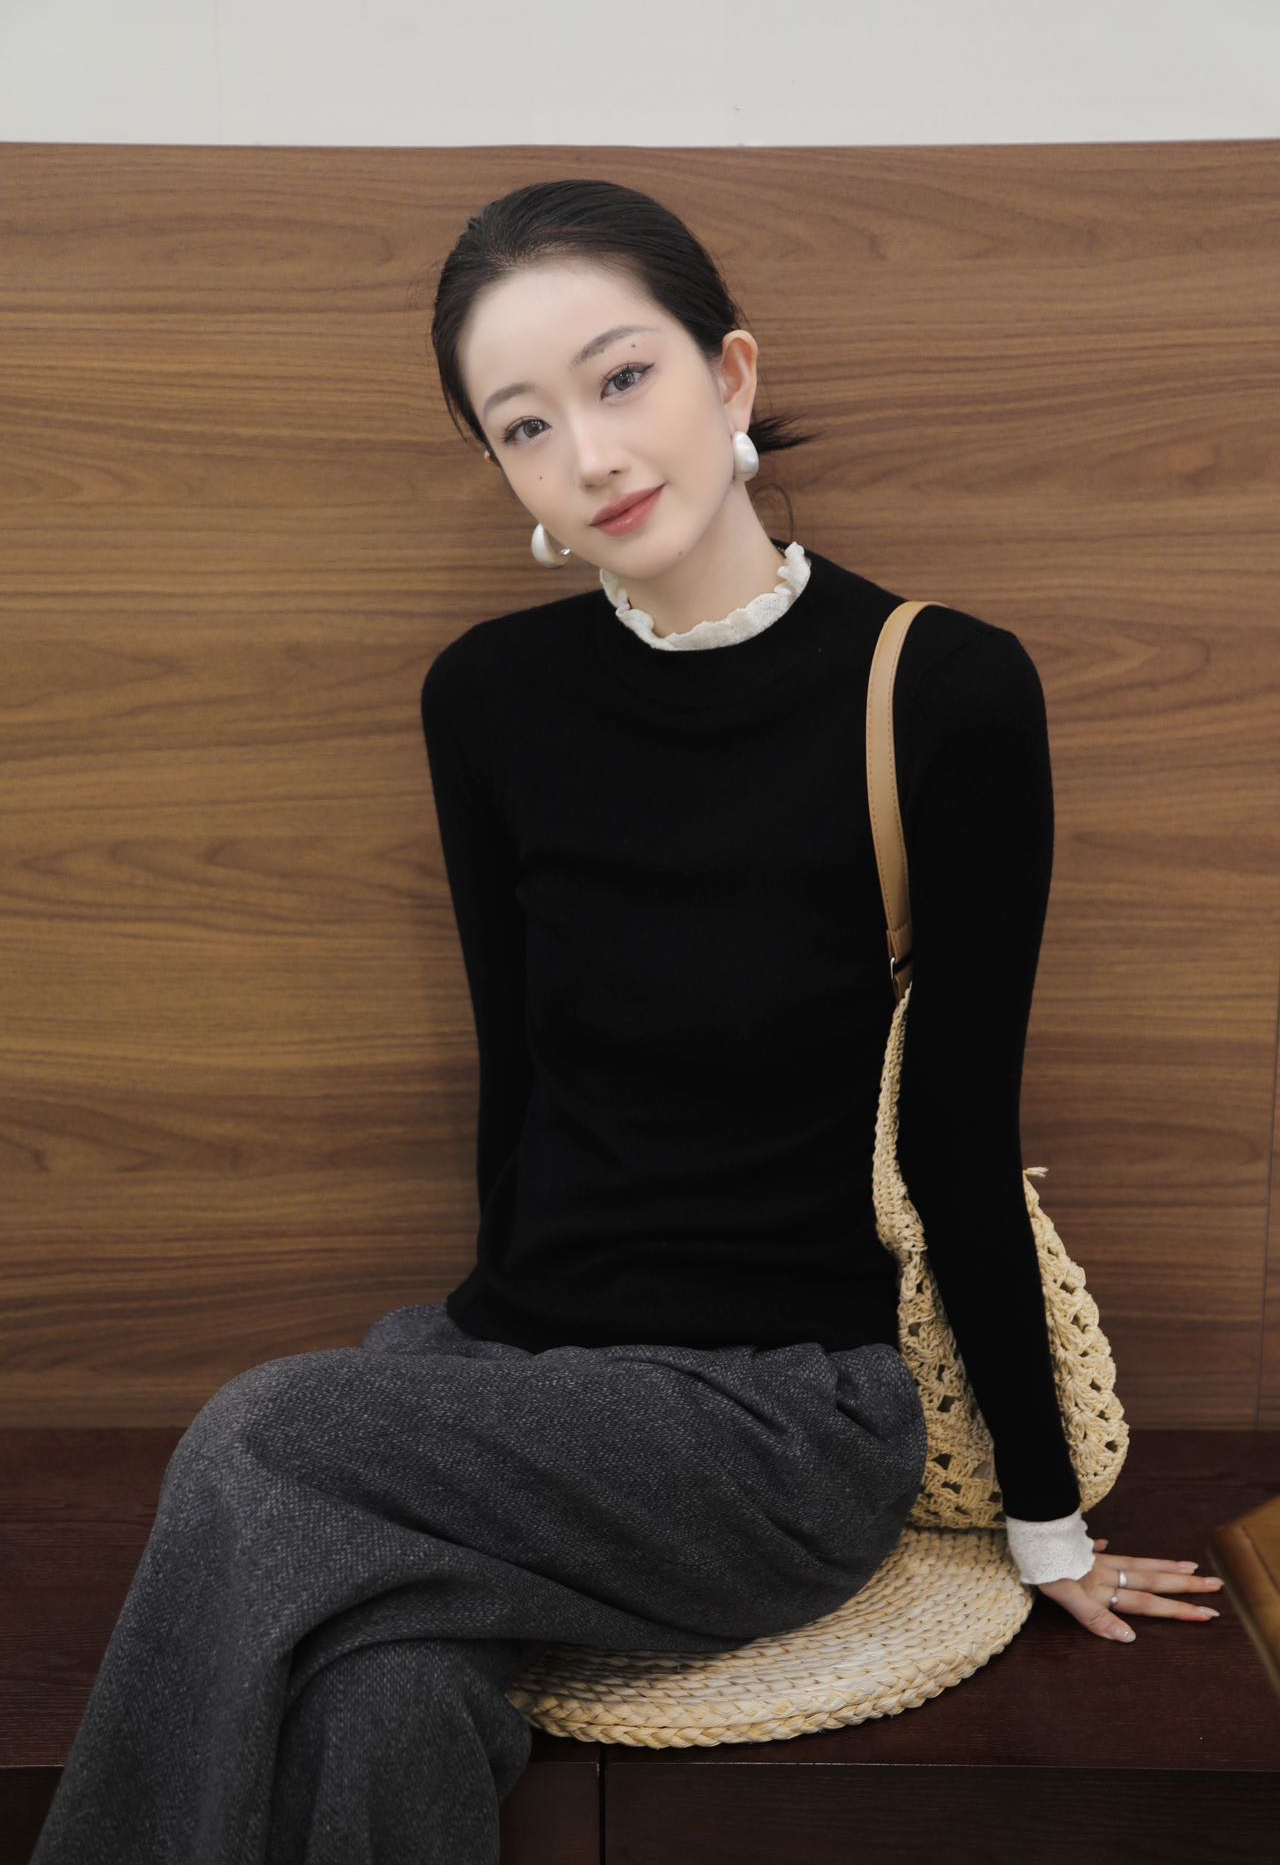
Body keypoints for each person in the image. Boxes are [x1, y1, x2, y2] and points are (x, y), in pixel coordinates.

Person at [31, 179, 1220, 1865]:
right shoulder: (488, 700)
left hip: (775, 1424)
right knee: (381, 1683)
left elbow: (959, 1132)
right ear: (500, 469)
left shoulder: (945, 688)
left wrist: (1047, 1523)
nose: (588, 453)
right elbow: (515, 1085)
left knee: (256, 1436)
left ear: (728, 375)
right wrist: (484, 1401)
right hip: (523, 1381)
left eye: (621, 378)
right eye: (526, 424)